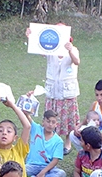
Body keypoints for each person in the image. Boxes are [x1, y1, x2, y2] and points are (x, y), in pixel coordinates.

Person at [26, 25, 80, 154]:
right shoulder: (52, 50)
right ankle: (51, 141)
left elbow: (76, 61)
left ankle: (67, 143)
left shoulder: (74, 49)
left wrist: (70, 50)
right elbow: (39, 48)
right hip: (52, 90)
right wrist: (30, 36)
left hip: (67, 91)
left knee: (68, 119)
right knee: (51, 117)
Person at [24, 109, 66, 177]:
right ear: (43, 122)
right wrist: (26, 112)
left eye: (53, 122)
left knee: (61, 174)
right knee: (18, 170)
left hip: (48, 168)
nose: (50, 124)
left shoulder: (58, 141)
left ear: (56, 124)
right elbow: (27, 117)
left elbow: (55, 160)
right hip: (31, 166)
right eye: (48, 121)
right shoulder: (36, 129)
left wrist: (42, 172)